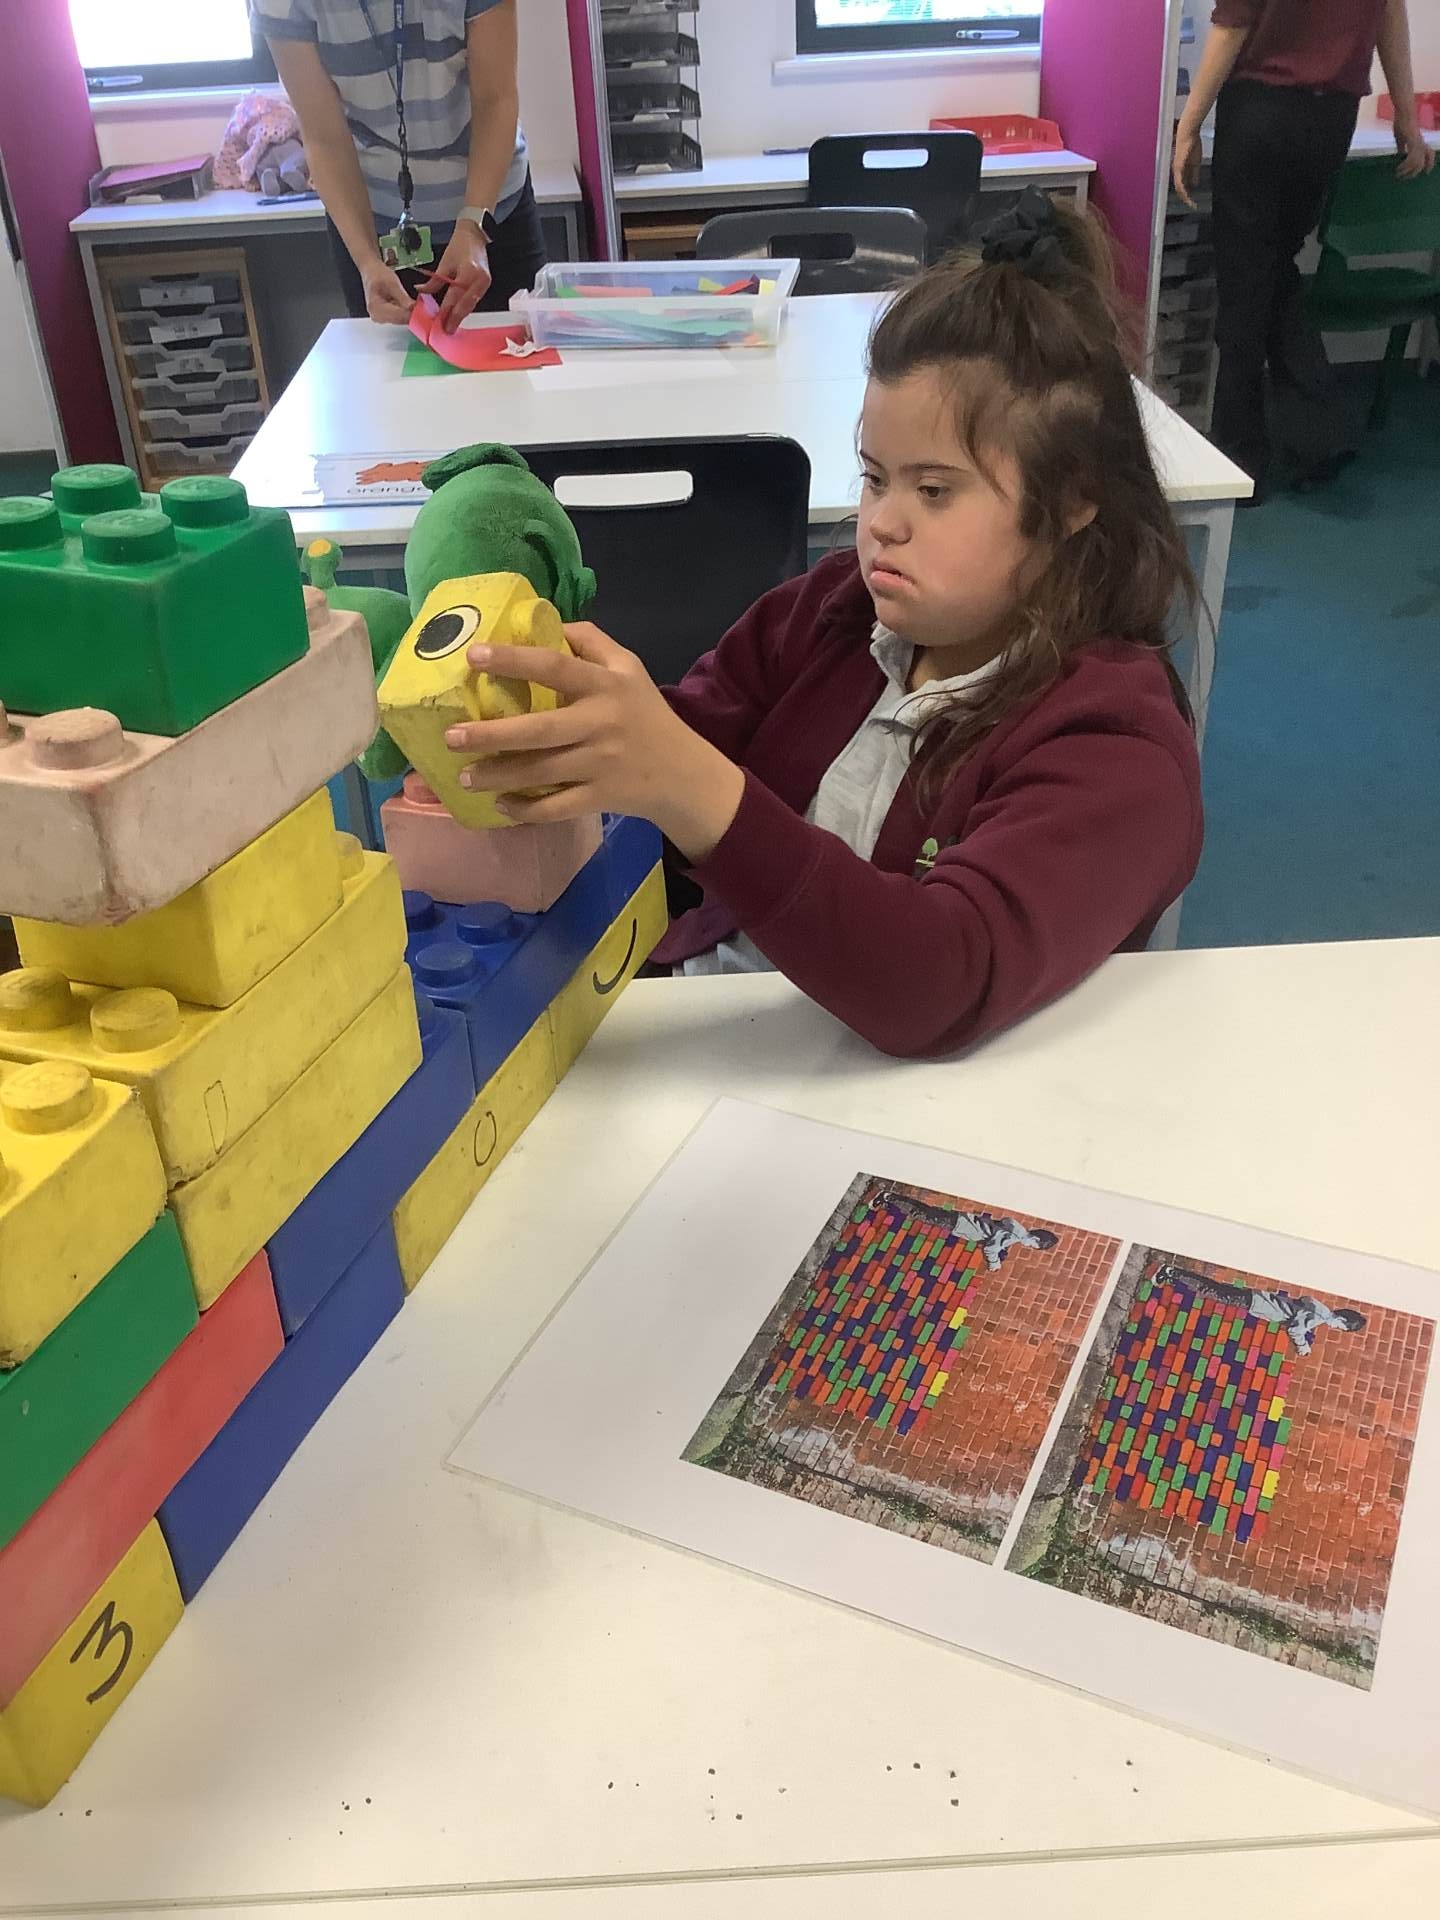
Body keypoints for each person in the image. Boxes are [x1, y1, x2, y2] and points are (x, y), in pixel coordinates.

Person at [441, 192, 1205, 1058]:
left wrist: (688, 785)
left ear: (1070, 503)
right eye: (876, 478)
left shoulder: (1116, 750)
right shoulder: (832, 613)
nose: (882, 523)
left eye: (935, 490)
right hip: (733, 1039)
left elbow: (937, 980)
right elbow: (685, 739)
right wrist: (565, 735)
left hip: (899, 1101)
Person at [1174, 0, 1436, 496]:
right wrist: (1405, 113)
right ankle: (1319, 434)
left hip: (1261, 109)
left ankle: (1239, 463)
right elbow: (1389, 12)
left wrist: (1188, 127)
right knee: (1273, 268)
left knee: (1246, 284)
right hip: (1331, 119)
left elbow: (1231, 28)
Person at [254, 1, 543, 331]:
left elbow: (496, 100)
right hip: (372, 222)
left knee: (516, 355)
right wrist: (367, 263)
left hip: (491, 211)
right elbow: (324, 138)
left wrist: (473, 228)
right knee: (388, 362)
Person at [1154, 1262, 1367, 1356]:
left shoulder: (1320, 1308)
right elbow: (1295, 1330)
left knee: (1215, 1289)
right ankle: (1171, 1272)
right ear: (1343, 1321)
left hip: (1258, 1298)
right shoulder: (1319, 1317)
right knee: (1210, 1290)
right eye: (1342, 1328)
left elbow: (1304, 1301)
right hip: (1256, 1303)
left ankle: (1175, 1275)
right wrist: (1303, 1347)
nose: (1338, 1329)